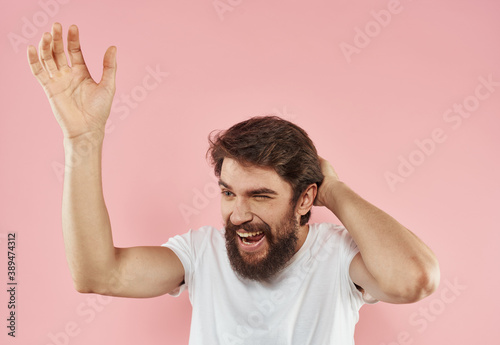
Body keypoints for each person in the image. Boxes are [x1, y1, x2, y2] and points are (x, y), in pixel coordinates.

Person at [27, 23, 440, 344]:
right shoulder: (200, 255)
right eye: (228, 193)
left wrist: (332, 187)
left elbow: (416, 279)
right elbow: (97, 274)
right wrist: (83, 139)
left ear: (304, 199)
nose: (239, 215)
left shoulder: (339, 257)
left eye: (260, 195)